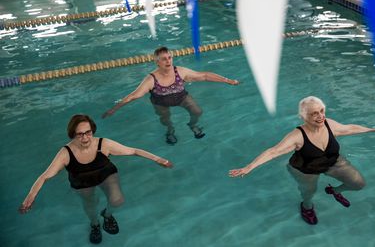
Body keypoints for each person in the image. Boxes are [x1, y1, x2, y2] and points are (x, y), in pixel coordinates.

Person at [19, 114, 173, 244]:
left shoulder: (103, 144)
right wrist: (30, 196)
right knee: (90, 204)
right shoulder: (66, 153)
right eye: (80, 134)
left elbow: (133, 151)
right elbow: (45, 176)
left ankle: (107, 215)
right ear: (73, 134)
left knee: (117, 200)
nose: (85, 137)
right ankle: (94, 224)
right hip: (82, 181)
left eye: (88, 132)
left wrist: (158, 159)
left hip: (105, 174)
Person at [229, 96, 375, 225]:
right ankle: (307, 207)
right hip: (305, 169)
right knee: (309, 192)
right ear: (303, 117)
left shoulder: (329, 124)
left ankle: (335, 191)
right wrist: (249, 167)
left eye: (321, 111)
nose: (321, 116)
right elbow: (273, 151)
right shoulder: (297, 136)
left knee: (358, 183)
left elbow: (349, 128)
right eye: (314, 113)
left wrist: (372, 129)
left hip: (332, 162)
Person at [102, 46, 239, 145]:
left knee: (198, 111)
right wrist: (114, 109)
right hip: (160, 102)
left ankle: (192, 125)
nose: (168, 61)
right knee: (165, 119)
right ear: (157, 62)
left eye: (169, 58)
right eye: (164, 59)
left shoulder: (180, 71)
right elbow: (133, 96)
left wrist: (228, 81)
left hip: (181, 97)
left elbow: (204, 75)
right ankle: (170, 131)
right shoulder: (151, 79)